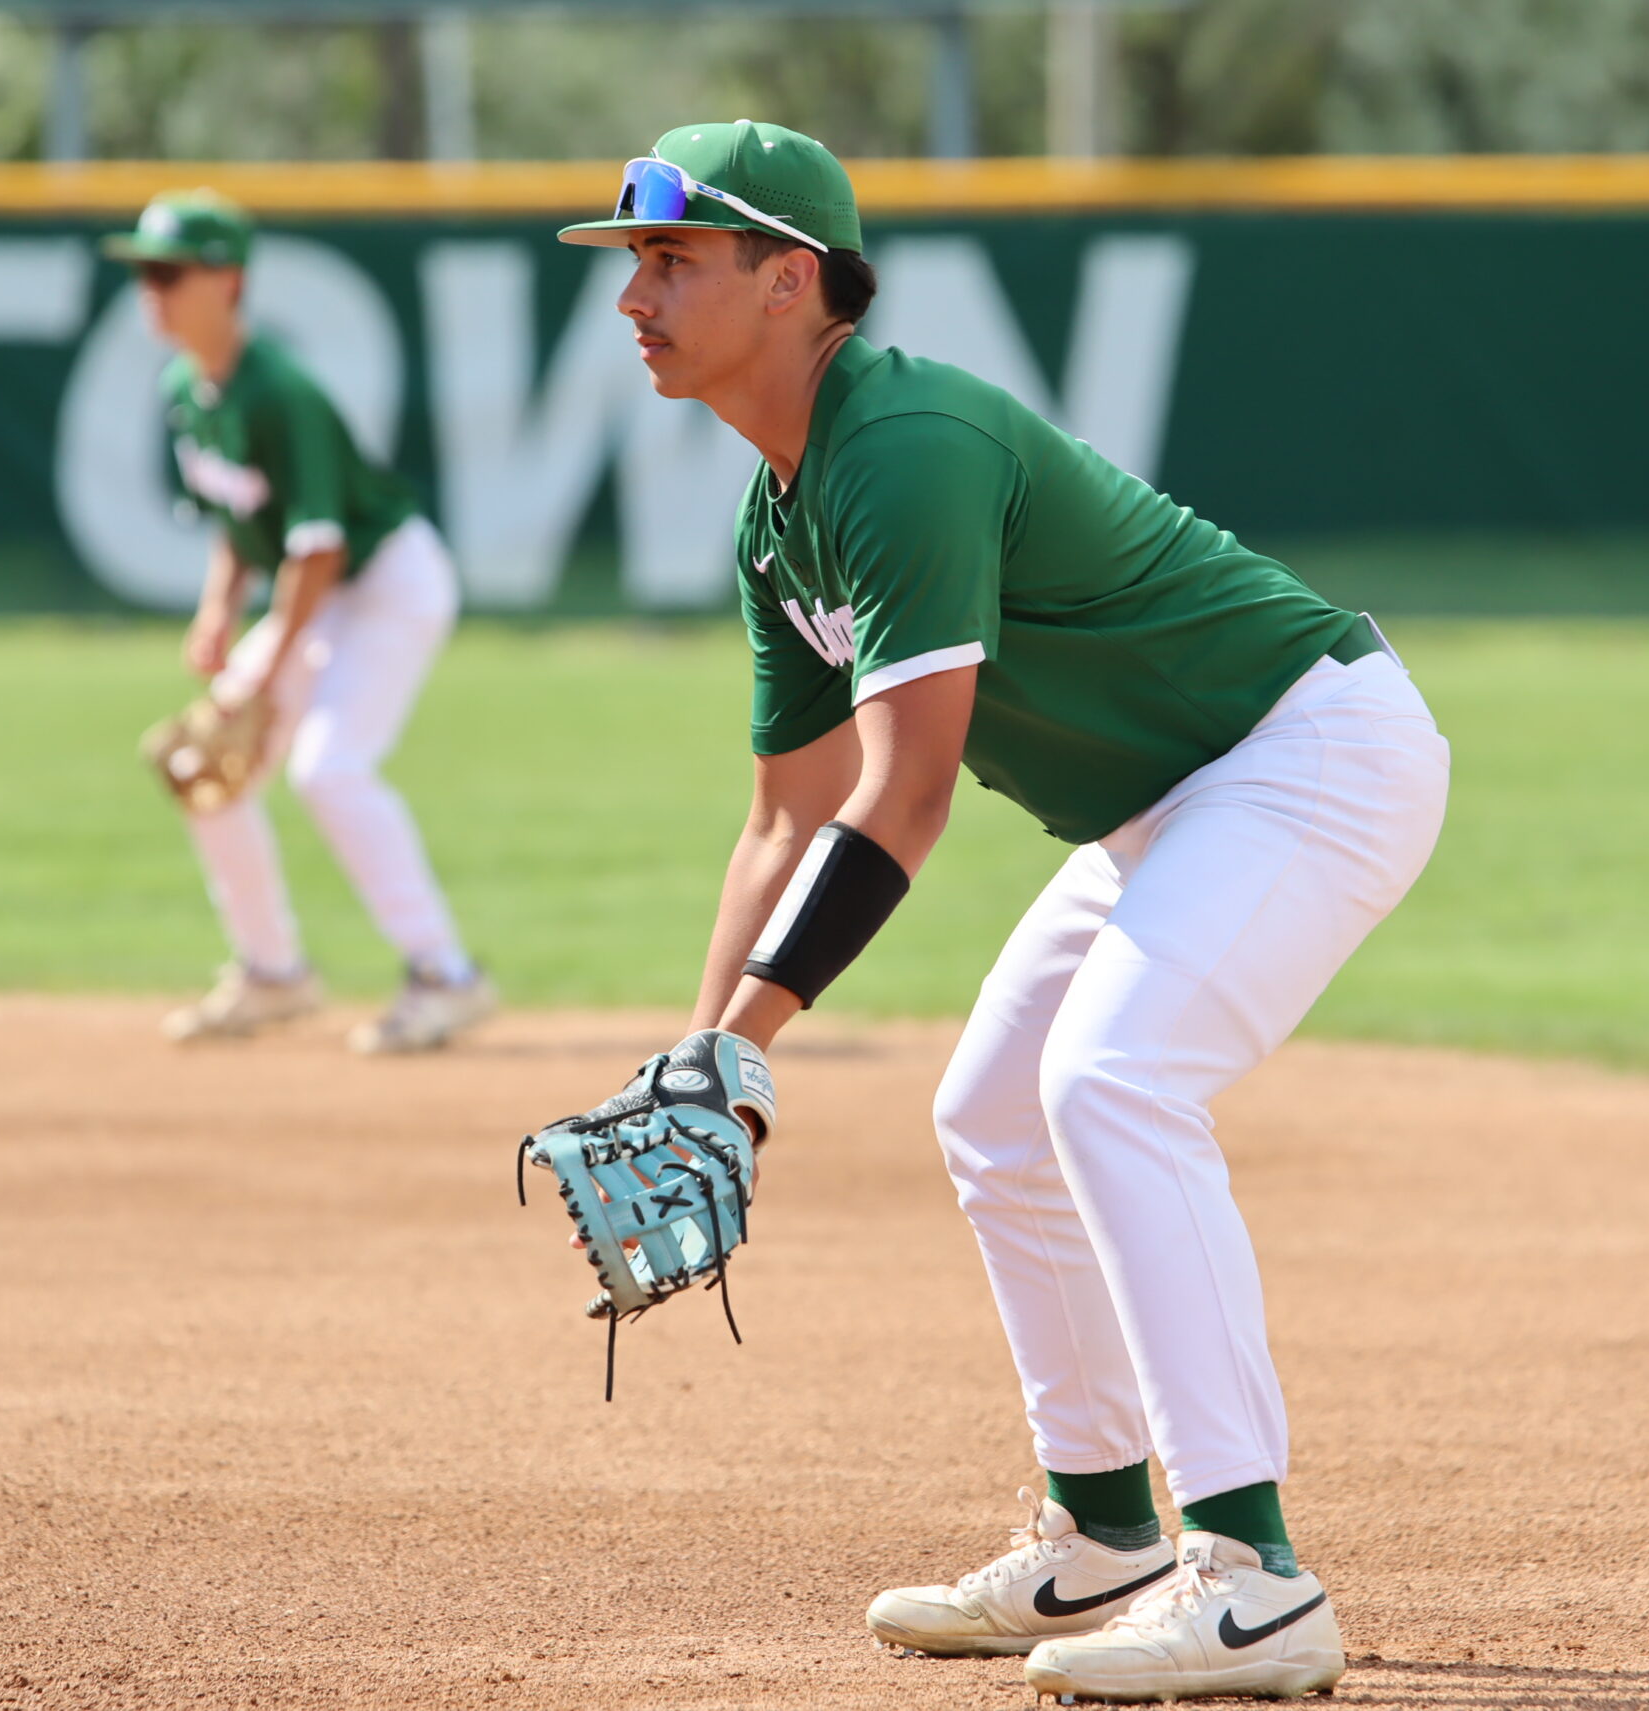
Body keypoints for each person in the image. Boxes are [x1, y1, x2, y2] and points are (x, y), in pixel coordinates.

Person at [543, 122, 1451, 1701]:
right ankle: (1106, 1533)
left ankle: (1257, 1577)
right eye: (634, 264)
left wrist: (745, 1042)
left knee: (1111, 1077)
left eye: (670, 260)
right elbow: (786, 816)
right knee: (994, 1110)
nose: (634, 297)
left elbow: (906, 796)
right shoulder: (779, 519)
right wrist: (704, 1059)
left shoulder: (901, 446)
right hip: (1171, 802)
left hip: (1309, 750)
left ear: (790, 280)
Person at [103, 190, 495, 1052]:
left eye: (169, 273)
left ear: (228, 281)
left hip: (389, 581)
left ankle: (446, 974)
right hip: (316, 593)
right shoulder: (187, 387)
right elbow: (241, 518)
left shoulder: (281, 392)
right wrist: (218, 611)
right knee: (204, 766)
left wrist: (269, 665)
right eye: (144, 274)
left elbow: (319, 549)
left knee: (328, 768)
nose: (151, 291)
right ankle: (272, 971)